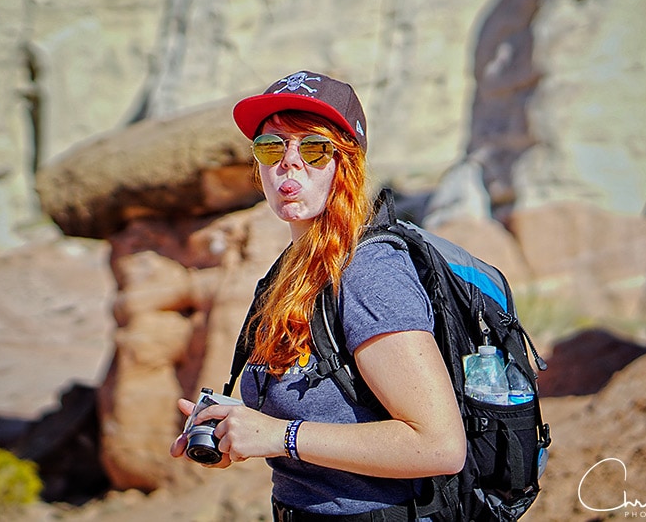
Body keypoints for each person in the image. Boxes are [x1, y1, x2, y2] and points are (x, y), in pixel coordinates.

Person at [170, 70, 465, 521]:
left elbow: (439, 446)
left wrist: (279, 436)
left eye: (313, 148)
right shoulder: (290, 272)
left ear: (344, 163)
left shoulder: (370, 271)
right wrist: (236, 426)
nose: (289, 162)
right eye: (271, 147)